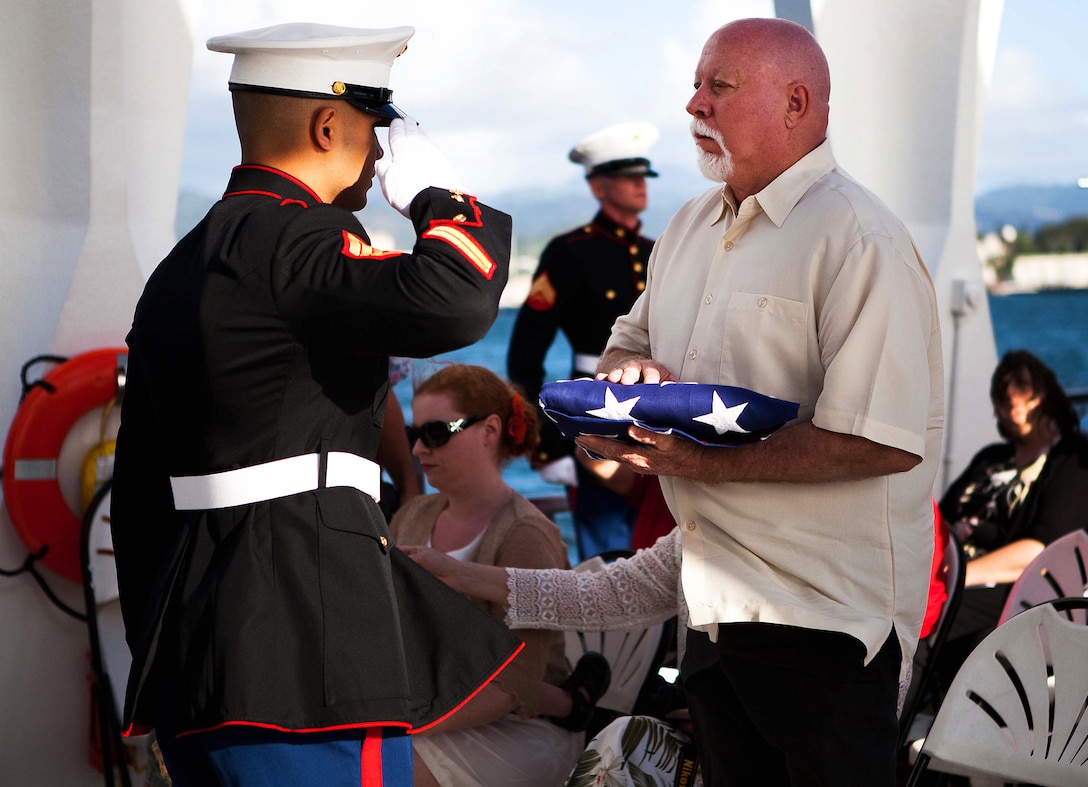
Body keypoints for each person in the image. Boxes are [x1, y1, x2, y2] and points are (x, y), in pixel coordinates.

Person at [110, 24, 522, 787]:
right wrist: (441, 199)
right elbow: (457, 300)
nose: (378, 151)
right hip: (308, 651)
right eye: (376, 124)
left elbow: (137, 497)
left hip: (201, 658)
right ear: (329, 124)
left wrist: (162, 653)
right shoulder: (300, 240)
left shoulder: (179, 265)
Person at [581, 18, 944, 785]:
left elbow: (882, 440)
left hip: (824, 628)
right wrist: (625, 378)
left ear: (797, 102)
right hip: (713, 617)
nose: (694, 104)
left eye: (720, 86)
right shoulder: (687, 226)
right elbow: (623, 342)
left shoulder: (857, 238)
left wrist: (695, 462)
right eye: (697, 84)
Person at [389, 363, 588, 786]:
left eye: (436, 433)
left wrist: (393, 724)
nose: (420, 449)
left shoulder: (526, 535)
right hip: (430, 711)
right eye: (415, 434)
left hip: (521, 728)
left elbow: (512, 688)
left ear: (489, 429)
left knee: (385, 763)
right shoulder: (411, 517)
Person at [507, 122, 659, 561]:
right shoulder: (569, 252)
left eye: (643, 176)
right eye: (627, 175)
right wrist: (549, 443)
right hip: (597, 420)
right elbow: (525, 355)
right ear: (597, 186)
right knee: (609, 561)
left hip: (663, 418)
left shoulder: (662, 251)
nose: (639, 185)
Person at [929, 349, 1088, 686]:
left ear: (1046, 393)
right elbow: (937, 521)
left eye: (1023, 385)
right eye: (1002, 390)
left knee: (920, 623)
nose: (1011, 396)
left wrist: (953, 577)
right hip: (946, 573)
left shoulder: (1072, 461)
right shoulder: (991, 457)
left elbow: (1041, 552)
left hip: (1006, 589)